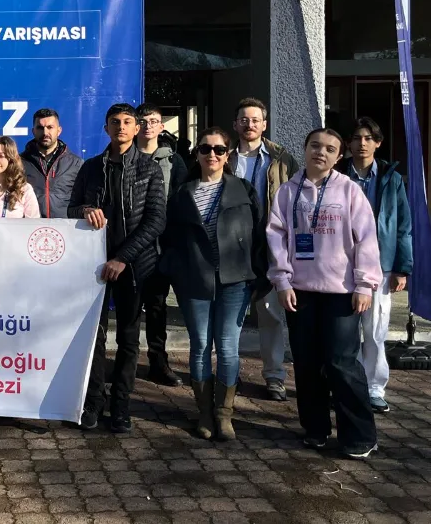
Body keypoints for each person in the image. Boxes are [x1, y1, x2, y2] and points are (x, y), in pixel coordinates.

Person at [267, 128, 381, 459]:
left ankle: (359, 435)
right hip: (299, 292)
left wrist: (365, 284)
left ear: (339, 156)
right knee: (306, 362)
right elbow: (276, 236)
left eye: (330, 149)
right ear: (304, 149)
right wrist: (282, 281)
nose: (321, 152)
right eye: (315, 146)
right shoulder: (288, 192)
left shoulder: (349, 191)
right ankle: (315, 428)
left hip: (342, 293)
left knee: (341, 363)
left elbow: (367, 238)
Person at [160, 128, 265, 441]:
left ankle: (224, 414)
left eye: (219, 150)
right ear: (197, 154)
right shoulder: (182, 194)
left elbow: (260, 234)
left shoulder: (243, 189)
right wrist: (176, 273)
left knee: (228, 347)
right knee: (201, 346)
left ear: (227, 154)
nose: (212, 155)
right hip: (194, 280)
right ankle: (204, 412)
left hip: (236, 280)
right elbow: (169, 239)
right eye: (205, 149)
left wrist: (259, 273)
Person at [68, 104, 166, 433]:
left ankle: (121, 403)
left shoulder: (149, 169)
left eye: (127, 122)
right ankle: (94, 400)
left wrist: (123, 257)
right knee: (94, 337)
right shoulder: (91, 168)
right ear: (106, 128)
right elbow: (70, 209)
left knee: (128, 337)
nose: (121, 127)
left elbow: (156, 220)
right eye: (114, 122)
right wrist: (85, 209)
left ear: (136, 129)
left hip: (134, 265)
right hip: (94, 264)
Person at [336, 118, 412, 413]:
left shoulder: (392, 178)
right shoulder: (337, 173)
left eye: (368, 138)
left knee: (375, 330)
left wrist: (402, 267)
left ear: (378, 143)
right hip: (341, 264)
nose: (362, 143)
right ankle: (346, 386)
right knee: (345, 333)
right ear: (348, 143)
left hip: (381, 264)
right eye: (356, 138)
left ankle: (374, 387)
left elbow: (403, 225)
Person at [228, 97, 298, 402]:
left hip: (270, 246)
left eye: (255, 120)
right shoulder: (225, 157)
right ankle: (229, 376)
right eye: (244, 119)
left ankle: (274, 377)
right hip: (232, 246)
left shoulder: (282, 159)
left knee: (270, 315)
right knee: (231, 317)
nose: (249, 125)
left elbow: (296, 201)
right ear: (235, 124)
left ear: (264, 124)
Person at [136, 103, 188, 387]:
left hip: (159, 247)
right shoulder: (123, 156)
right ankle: (126, 364)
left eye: (153, 121)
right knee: (129, 309)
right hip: (129, 245)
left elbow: (181, 203)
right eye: (143, 121)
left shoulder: (174, 161)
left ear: (161, 126)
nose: (148, 126)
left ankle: (158, 362)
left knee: (156, 308)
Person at [20, 108, 82, 219]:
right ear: (33, 131)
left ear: (59, 130)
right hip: (30, 227)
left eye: (50, 127)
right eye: (40, 128)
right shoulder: (19, 163)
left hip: (65, 227)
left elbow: (83, 201)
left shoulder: (76, 163)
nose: (45, 133)